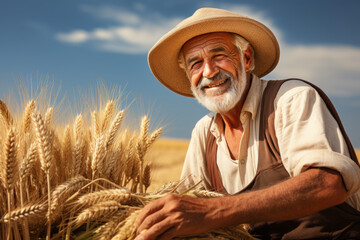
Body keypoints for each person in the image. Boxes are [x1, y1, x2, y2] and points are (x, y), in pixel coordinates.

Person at [136, 7, 360, 240]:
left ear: (246, 58)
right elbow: (183, 211)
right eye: (196, 63)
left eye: (219, 55)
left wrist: (213, 211)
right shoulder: (204, 133)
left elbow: (327, 184)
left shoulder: (290, 98)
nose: (209, 72)